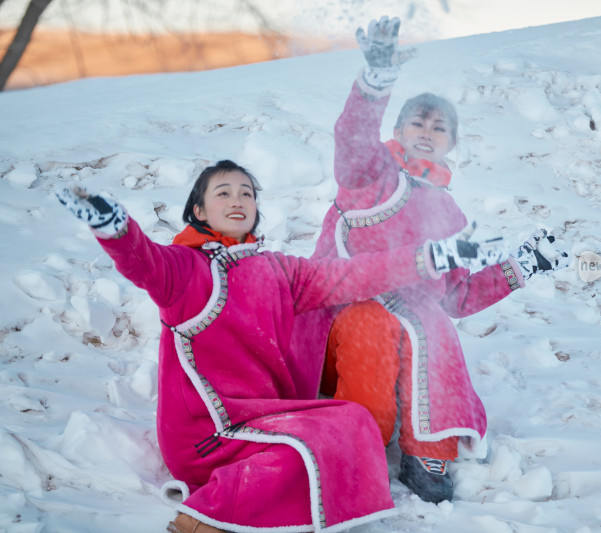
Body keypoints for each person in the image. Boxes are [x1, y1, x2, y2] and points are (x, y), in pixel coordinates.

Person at [56, 160, 495, 533]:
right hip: (204, 433)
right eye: (223, 193)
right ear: (198, 209)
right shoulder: (186, 269)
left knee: (353, 422)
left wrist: (431, 257)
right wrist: (115, 231)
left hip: (263, 419)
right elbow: (143, 261)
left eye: (246, 194)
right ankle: (205, 519)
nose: (237, 201)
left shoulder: (276, 269)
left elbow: (352, 275)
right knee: (305, 451)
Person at [295, 17, 570, 504]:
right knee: (374, 323)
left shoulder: (449, 213)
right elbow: (352, 143)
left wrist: (522, 266)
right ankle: (359, 445)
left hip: (413, 327)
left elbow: (458, 297)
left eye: (439, 126)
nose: (427, 131)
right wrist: (374, 83)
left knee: (435, 322)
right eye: (417, 122)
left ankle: (429, 452)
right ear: (398, 130)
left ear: (451, 142)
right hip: (342, 311)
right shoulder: (371, 176)